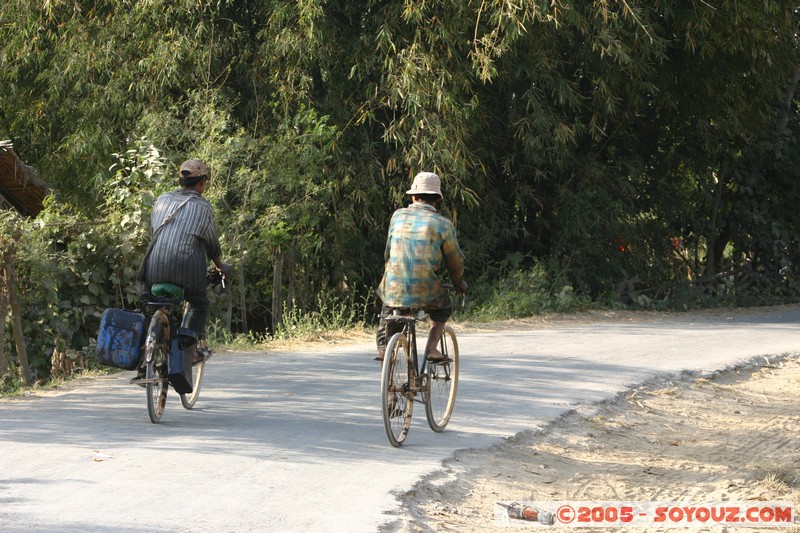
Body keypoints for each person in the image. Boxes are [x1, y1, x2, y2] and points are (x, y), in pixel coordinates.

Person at [141, 159, 232, 360]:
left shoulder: (162, 199)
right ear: (202, 183)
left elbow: (154, 231)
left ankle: (145, 349)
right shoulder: (203, 207)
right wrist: (220, 266)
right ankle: (189, 352)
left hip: (151, 269)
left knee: (149, 302)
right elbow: (212, 245)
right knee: (199, 302)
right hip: (185, 273)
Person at [375, 171, 468, 363]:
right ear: (437, 199)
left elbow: (387, 253)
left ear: (413, 196)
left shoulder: (397, 216)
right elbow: (454, 262)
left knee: (389, 309)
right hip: (426, 291)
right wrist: (459, 283)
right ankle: (432, 349)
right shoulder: (443, 224)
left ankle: (385, 348)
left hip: (394, 286)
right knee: (443, 308)